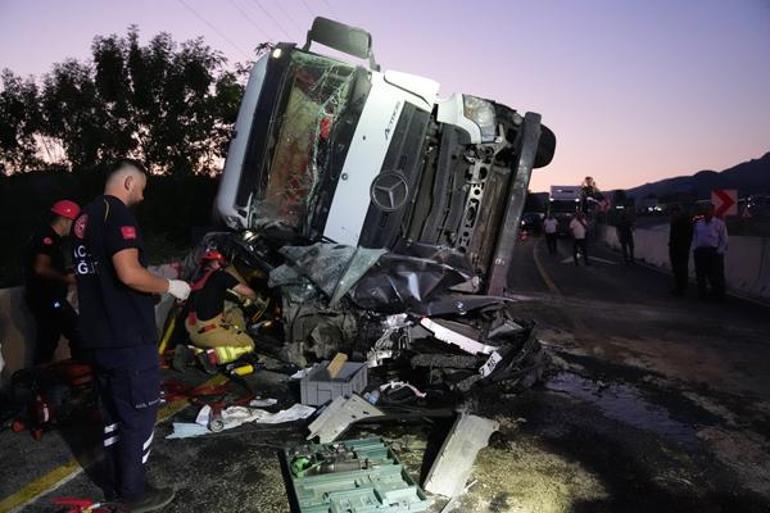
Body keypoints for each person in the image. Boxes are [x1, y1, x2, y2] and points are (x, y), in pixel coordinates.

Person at [71, 159, 191, 511]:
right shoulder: (118, 213)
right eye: (141, 187)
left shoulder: (85, 218)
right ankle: (134, 494)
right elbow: (128, 273)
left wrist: (145, 289)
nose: (141, 196)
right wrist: (171, 285)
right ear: (127, 182)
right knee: (139, 416)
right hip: (127, 338)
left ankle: (115, 484)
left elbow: (101, 277)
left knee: (112, 415)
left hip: (97, 336)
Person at [24, 200, 82, 365]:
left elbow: (47, 266)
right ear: (66, 219)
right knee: (76, 332)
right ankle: (79, 373)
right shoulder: (47, 238)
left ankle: (38, 381)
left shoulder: (51, 239)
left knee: (47, 342)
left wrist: (67, 271)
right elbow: (40, 268)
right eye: (74, 221)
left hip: (46, 299)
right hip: (48, 299)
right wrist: (66, 278)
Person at [183, 250, 257, 370]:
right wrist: (257, 298)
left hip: (193, 335)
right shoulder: (220, 276)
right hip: (210, 333)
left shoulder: (196, 284)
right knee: (248, 345)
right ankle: (212, 357)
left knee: (231, 315)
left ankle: (192, 352)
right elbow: (248, 293)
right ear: (217, 262)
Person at [691, 203, 728, 301]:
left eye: (709, 210)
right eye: (705, 210)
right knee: (700, 275)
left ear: (713, 211)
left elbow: (724, 239)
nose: (707, 212)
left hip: (713, 252)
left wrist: (719, 251)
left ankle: (718, 296)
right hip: (700, 252)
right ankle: (702, 295)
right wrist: (695, 248)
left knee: (716, 275)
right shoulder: (698, 223)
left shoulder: (719, 224)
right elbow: (695, 236)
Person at [668, 205, 693, 296]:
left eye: (673, 213)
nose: (672, 215)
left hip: (681, 248)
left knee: (681, 268)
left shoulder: (684, 222)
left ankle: (681, 288)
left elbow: (688, 236)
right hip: (676, 248)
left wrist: (685, 245)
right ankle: (679, 287)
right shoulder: (675, 222)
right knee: (677, 268)